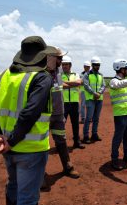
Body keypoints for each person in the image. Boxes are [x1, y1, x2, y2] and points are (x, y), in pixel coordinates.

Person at [0, 36, 54, 205]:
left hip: (7, 147)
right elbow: (29, 114)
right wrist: (12, 141)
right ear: (42, 57)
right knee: (28, 198)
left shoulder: (2, 76)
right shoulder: (41, 77)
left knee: (13, 186)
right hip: (31, 149)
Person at [46, 49, 80, 178]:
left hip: (58, 113)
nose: (61, 62)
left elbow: (60, 86)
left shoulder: (58, 73)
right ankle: (41, 174)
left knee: (61, 140)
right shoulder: (41, 74)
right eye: (59, 59)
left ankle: (68, 166)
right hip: (45, 115)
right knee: (42, 144)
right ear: (50, 59)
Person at [61, 55, 85, 149]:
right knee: (61, 124)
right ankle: (61, 144)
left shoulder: (76, 74)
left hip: (74, 103)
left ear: (70, 65)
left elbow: (79, 83)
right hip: (63, 103)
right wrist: (73, 84)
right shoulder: (59, 75)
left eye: (66, 64)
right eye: (63, 64)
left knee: (75, 124)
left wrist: (65, 83)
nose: (64, 66)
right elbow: (60, 86)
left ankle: (77, 142)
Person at [82, 56, 105, 144]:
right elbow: (86, 85)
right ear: (92, 65)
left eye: (98, 65)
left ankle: (94, 134)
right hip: (90, 99)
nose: (97, 66)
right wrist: (94, 93)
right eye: (95, 65)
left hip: (99, 99)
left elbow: (103, 85)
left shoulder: (101, 75)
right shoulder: (87, 74)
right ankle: (86, 136)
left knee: (96, 118)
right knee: (88, 118)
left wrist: (99, 93)